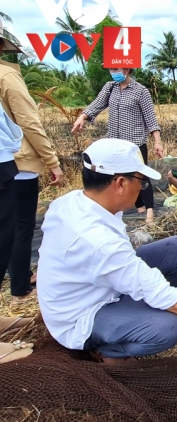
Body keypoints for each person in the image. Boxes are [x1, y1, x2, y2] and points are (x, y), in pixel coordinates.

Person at [36, 138, 177, 363]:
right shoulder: (98, 242)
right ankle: (108, 350)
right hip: (81, 315)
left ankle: (141, 315)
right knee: (167, 328)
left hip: (96, 287)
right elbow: (157, 291)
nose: (142, 187)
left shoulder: (73, 201)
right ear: (120, 183)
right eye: (140, 180)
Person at [1, 35, 64, 307]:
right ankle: (19, 289)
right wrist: (52, 161)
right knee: (19, 228)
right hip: (16, 164)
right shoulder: (7, 77)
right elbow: (29, 123)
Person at [72, 67, 164, 224]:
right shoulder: (110, 88)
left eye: (116, 69)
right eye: (111, 69)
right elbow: (97, 105)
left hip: (134, 144)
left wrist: (157, 141)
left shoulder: (141, 91)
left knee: (141, 177)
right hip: (115, 145)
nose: (112, 72)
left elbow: (150, 118)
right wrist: (82, 117)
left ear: (127, 69)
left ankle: (149, 215)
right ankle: (139, 209)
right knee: (119, 177)